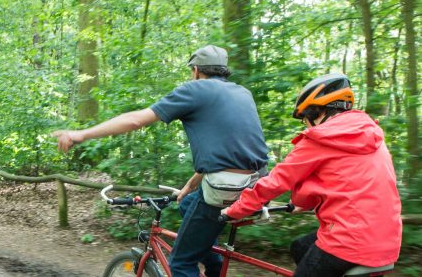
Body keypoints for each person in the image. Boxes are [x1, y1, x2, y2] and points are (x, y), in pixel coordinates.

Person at [53, 45, 268, 277]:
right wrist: (191, 184)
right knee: (187, 203)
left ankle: (206, 266)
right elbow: (232, 149)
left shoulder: (196, 90)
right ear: (224, 71)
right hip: (257, 183)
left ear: (196, 71)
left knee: (181, 263)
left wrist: (81, 134)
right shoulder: (241, 92)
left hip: (225, 186)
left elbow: (136, 120)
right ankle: (215, 268)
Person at [222, 73, 402, 277]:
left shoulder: (320, 137)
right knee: (300, 247)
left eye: (304, 120)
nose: (306, 126)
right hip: (387, 240)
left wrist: (235, 211)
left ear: (316, 113)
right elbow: (347, 183)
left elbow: (276, 181)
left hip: (349, 241)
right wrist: (305, 203)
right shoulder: (371, 134)